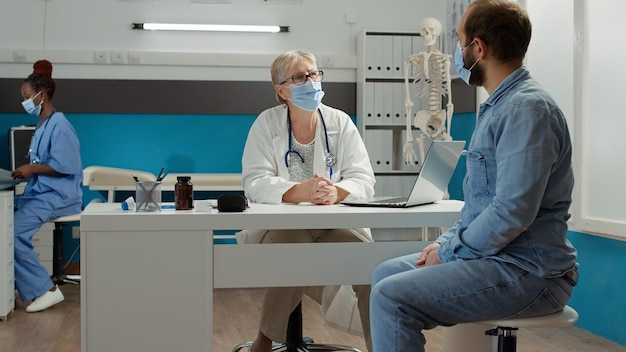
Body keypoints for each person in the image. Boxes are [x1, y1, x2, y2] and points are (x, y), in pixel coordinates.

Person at [369, 1, 578, 351]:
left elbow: (512, 211)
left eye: (458, 41)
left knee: (392, 297)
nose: (456, 53)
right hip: (499, 259)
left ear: (478, 48)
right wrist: (444, 243)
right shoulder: (500, 106)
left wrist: (450, 254)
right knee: (385, 275)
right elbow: (480, 207)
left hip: (529, 272)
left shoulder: (526, 110)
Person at [240, 50, 376, 352]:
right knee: (292, 252)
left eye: (314, 74)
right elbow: (254, 181)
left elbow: (364, 179)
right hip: (284, 227)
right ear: (281, 89)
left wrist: (337, 192)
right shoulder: (266, 124)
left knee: (371, 264)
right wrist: (296, 192)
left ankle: (379, 346)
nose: (310, 81)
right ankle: (264, 341)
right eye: (300, 77)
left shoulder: (340, 122)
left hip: (333, 225)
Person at [11, 60, 83, 313]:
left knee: (13, 234)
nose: (25, 101)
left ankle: (45, 289)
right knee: (3, 221)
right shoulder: (42, 125)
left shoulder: (60, 126)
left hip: (59, 195)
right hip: (40, 193)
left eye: (27, 96)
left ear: (41, 95)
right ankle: (13, 288)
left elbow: (66, 165)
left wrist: (31, 169)